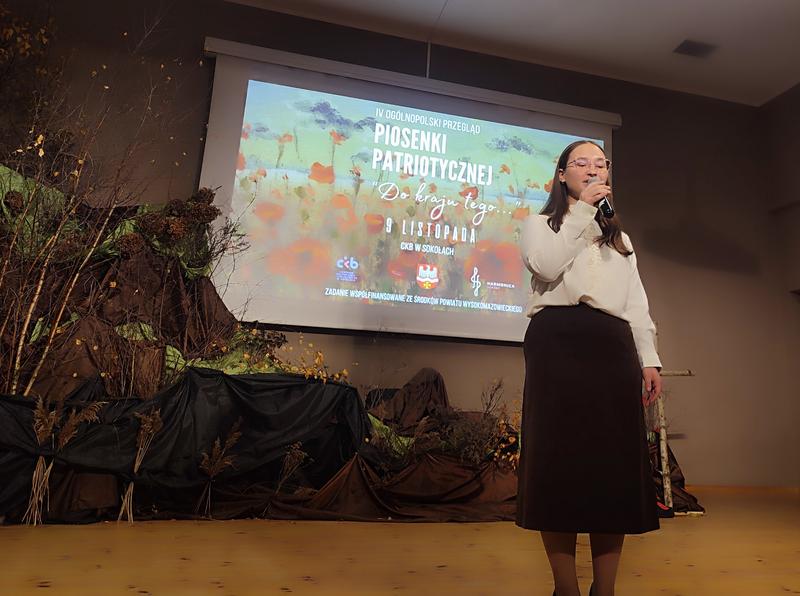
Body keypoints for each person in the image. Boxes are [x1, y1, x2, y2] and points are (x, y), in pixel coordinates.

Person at [516, 140, 662, 596]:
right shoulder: (540, 224)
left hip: (611, 348)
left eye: (601, 164)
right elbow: (545, 266)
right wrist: (582, 211)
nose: (593, 170)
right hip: (556, 345)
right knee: (557, 462)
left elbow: (635, 302)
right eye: (582, 163)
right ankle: (566, 588)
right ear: (562, 174)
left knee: (612, 467)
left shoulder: (620, 239)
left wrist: (649, 358)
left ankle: (605, 589)